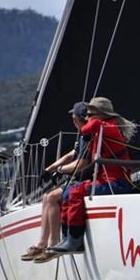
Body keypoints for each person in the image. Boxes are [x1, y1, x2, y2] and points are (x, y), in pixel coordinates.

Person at [46, 97, 136, 254]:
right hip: (106, 180)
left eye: (90, 114)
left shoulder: (105, 126)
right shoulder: (103, 127)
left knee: (75, 192)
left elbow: (86, 128)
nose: (87, 118)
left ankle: (75, 241)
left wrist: (87, 122)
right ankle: (67, 238)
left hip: (116, 182)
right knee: (69, 192)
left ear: (99, 114)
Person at [22, 102, 89, 261]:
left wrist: (60, 170)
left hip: (85, 178)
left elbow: (81, 163)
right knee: (46, 196)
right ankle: (42, 244)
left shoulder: (87, 135)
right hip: (78, 176)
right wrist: (50, 168)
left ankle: (53, 243)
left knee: (52, 197)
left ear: (75, 119)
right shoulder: (82, 135)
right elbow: (72, 154)